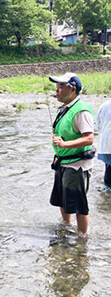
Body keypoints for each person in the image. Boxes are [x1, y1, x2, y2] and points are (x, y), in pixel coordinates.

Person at [49, 72, 95, 236]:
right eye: (57, 87)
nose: (57, 90)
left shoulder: (81, 111)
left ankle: (83, 237)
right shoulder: (65, 109)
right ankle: (66, 226)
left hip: (76, 165)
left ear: (73, 89)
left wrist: (64, 144)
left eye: (61, 87)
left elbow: (89, 138)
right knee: (62, 199)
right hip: (63, 162)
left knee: (78, 204)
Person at [96, 98, 111, 191]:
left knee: (108, 167)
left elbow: (98, 125)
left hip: (105, 143)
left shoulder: (104, 105)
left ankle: (106, 191)